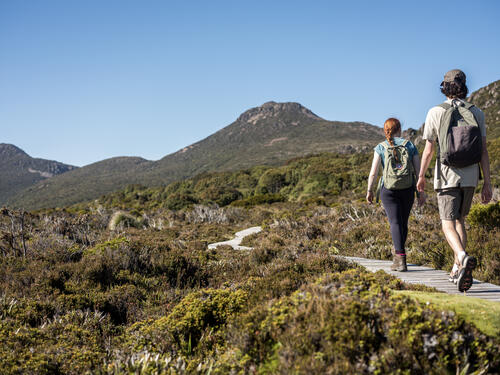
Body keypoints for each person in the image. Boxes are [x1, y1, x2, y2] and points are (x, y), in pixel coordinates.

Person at [416, 69, 492, 292]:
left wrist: (421, 176)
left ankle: (461, 256)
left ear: (445, 87)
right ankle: (457, 269)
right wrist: (487, 182)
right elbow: (484, 151)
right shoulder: (478, 113)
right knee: (460, 221)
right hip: (470, 176)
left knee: (447, 222)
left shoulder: (435, 112)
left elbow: (429, 150)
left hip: (447, 175)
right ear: (464, 87)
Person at [367, 118, 424, 271]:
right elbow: (419, 173)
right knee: (403, 222)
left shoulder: (381, 147)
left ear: (385, 130)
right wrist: (421, 193)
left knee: (395, 222)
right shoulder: (410, 145)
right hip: (407, 189)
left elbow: (373, 173)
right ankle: (400, 257)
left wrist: (370, 190)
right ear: (399, 129)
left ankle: (400, 258)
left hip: (388, 190)